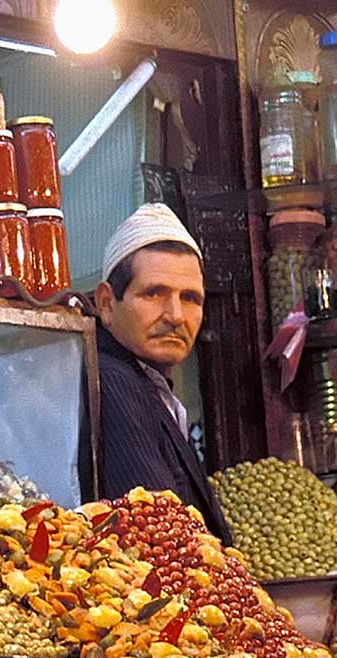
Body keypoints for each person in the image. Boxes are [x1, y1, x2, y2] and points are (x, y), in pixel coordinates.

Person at [88, 202, 232, 544]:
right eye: (154, 293)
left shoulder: (151, 387)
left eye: (191, 299)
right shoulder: (112, 380)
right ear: (107, 304)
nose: (176, 315)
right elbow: (161, 537)